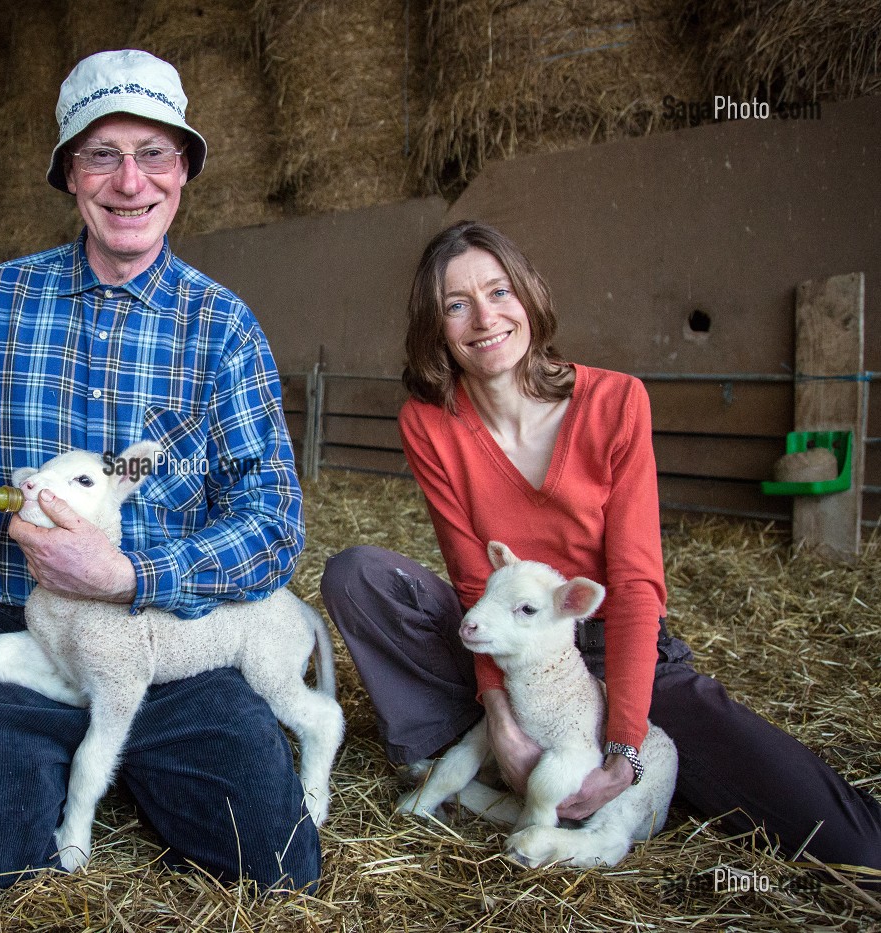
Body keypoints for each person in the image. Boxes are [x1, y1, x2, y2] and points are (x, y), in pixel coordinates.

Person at [0, 50, 318, 918]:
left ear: (184, 170)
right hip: (23, 630)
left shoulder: (222, 327)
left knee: (278, 868)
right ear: (67, 174)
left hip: (171, 642)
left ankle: (119, 760)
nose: (130, 180)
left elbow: (273, 522)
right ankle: (59, 757)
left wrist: (132, 578)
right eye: (101, 153)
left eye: (154, 152)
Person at [321, 220, 881, 880]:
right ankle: (467, 748)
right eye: (456, 303)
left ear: (527, 295)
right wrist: (500, 717)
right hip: (511, 638)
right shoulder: (429, 421)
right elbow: (476, 580)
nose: (485, 318)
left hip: (617, 649)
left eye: (499, 291)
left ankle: (581, 772)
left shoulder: (615, 401)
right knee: (359, 575)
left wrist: (624, 746)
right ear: (434, 324)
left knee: (849, 841)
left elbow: (637, 582)